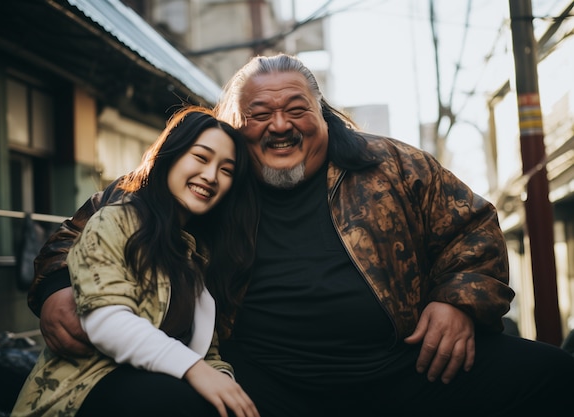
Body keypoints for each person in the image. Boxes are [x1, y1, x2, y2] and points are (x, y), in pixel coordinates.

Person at [28, 54, 574, 416]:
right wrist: (55, 285)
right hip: (263, 385)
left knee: (553, 375)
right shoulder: (203, 181)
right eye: (259, 113)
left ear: (323, 116)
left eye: (296, 109)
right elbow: (91, 226)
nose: (280, 124)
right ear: (233, 127)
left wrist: (458, 301)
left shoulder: (393, 165)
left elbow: (472, 229)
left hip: (406, 370)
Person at [11, 106, 260, 417]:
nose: (211, 176)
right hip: (80, 391)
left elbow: (207, 351)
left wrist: (224, 384)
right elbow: (106, 320)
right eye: (200, 157)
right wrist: (195, 370)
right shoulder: (117, 220)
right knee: (180, 401)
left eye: (226, 170)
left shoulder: (198, 255)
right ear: (171, 155)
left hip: (149, 394)